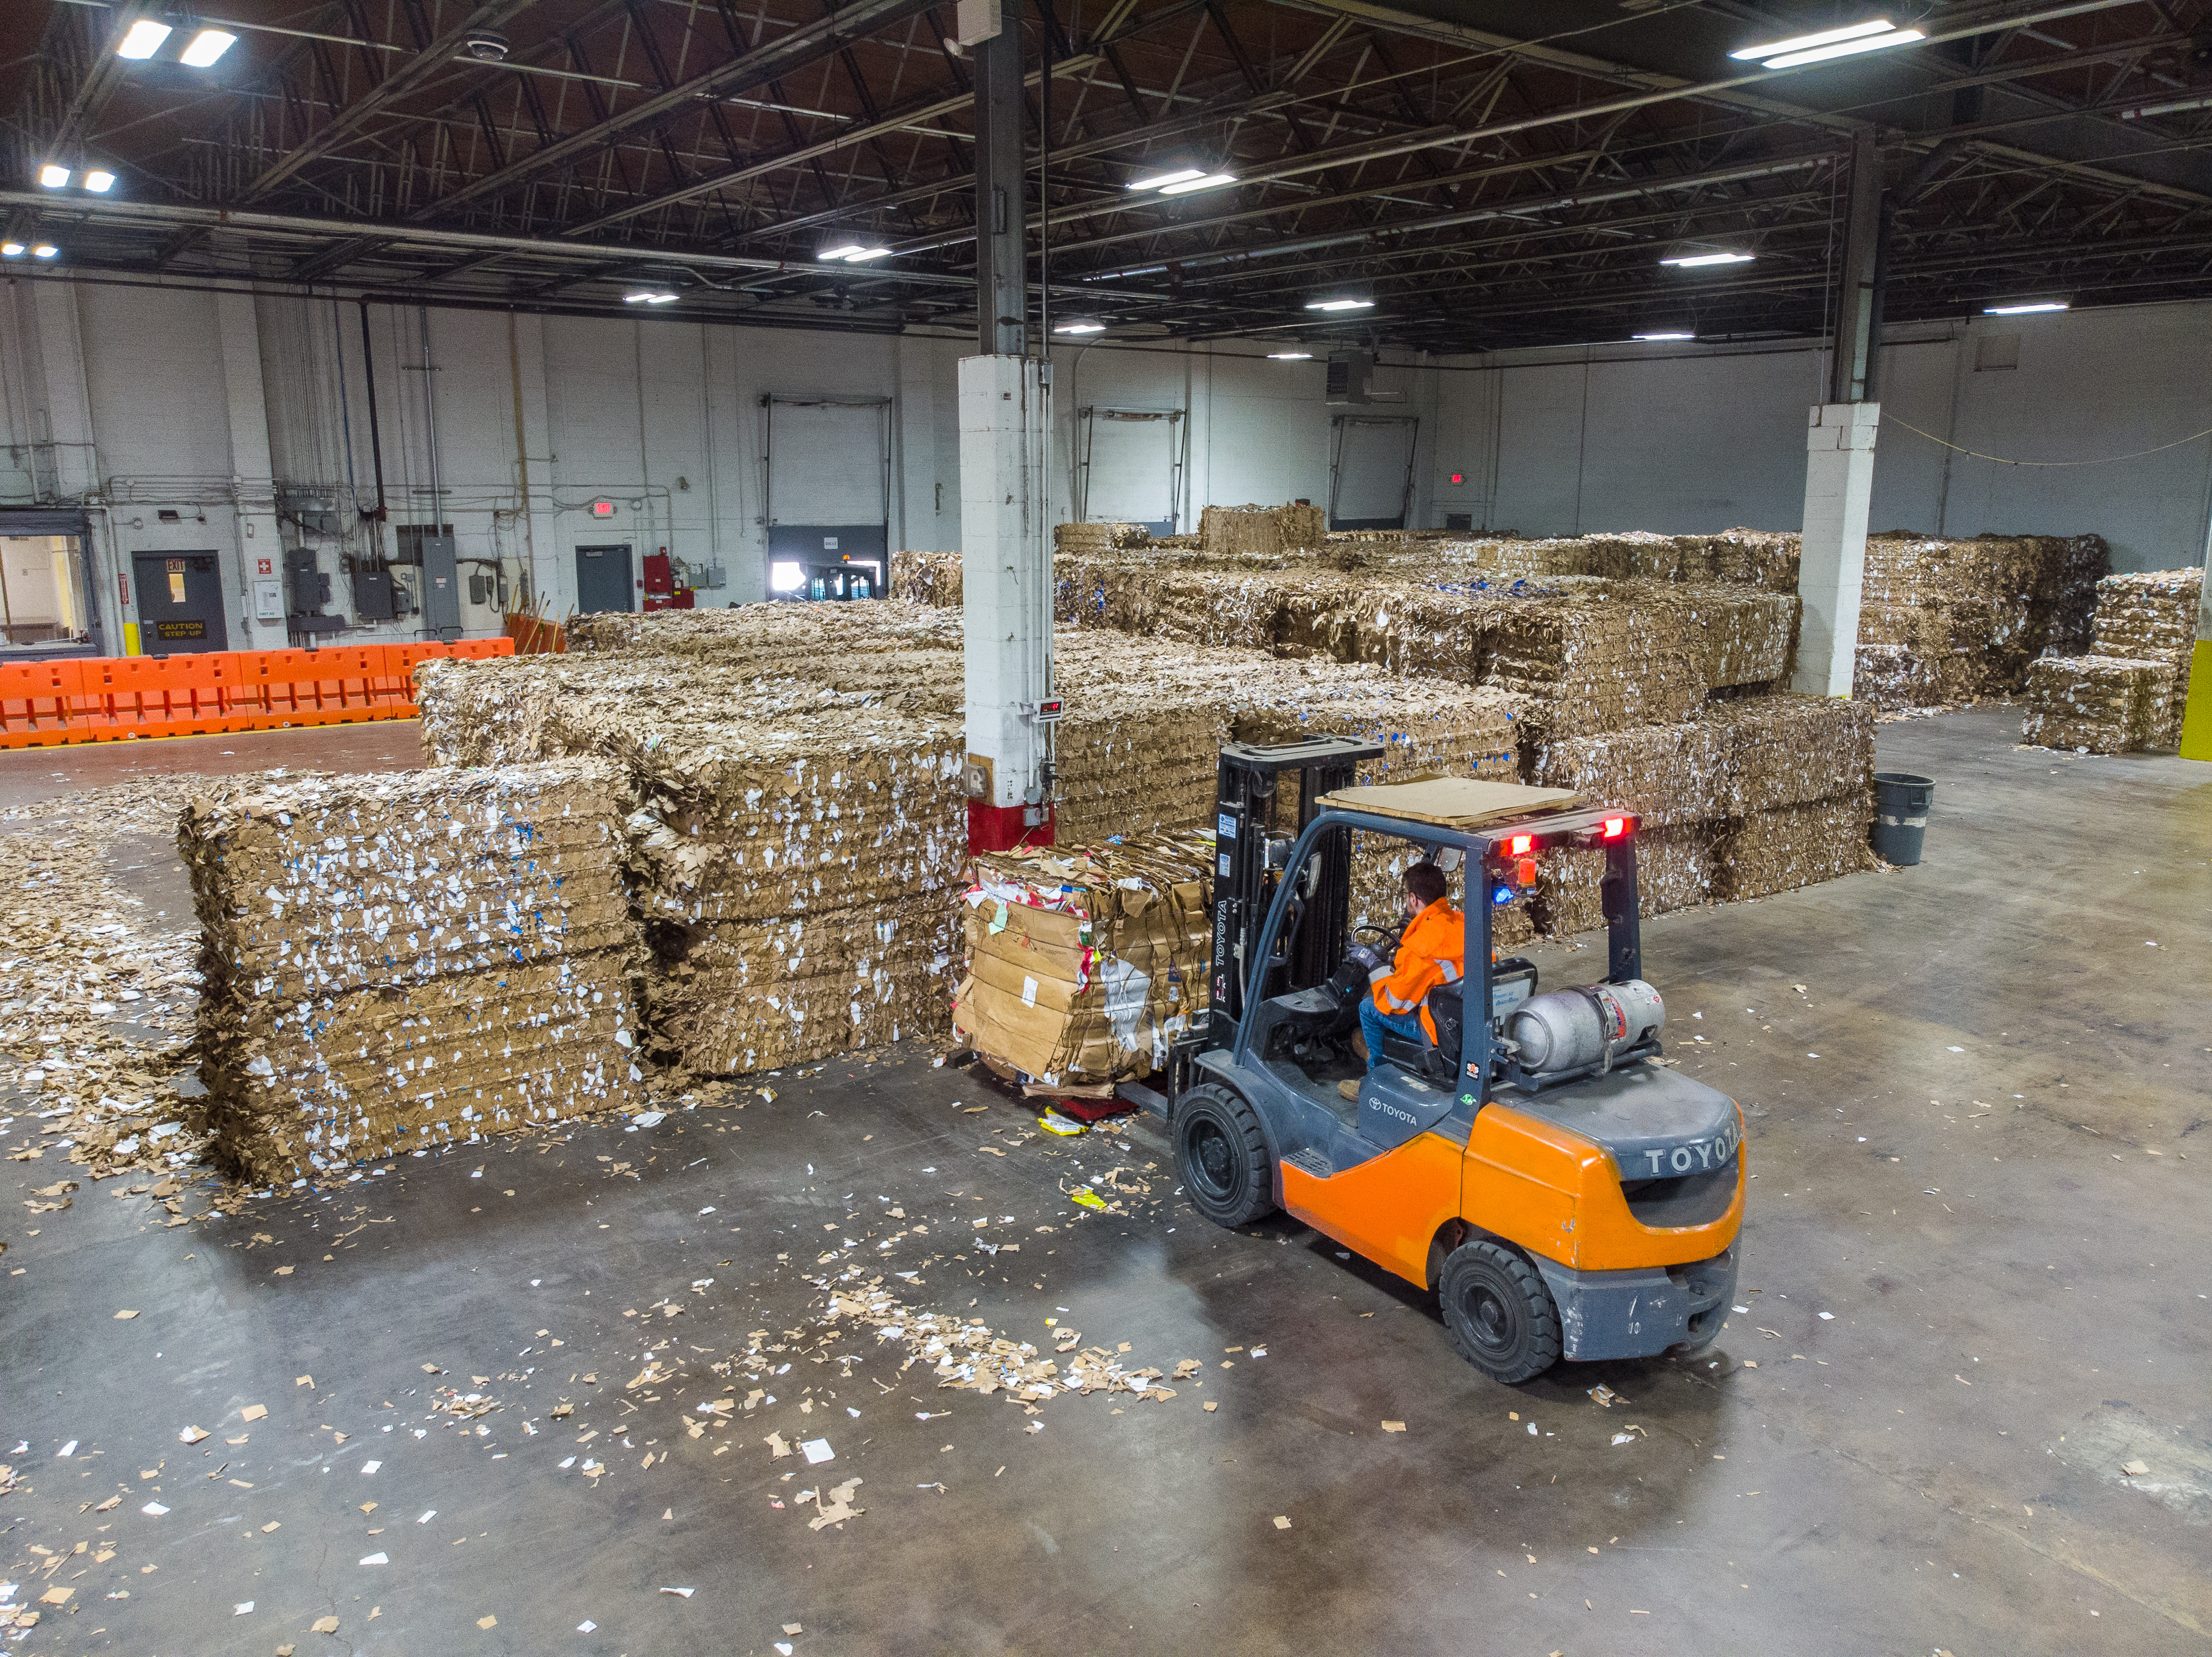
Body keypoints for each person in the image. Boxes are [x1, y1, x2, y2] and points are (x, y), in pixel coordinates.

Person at [1338, 862, 1463, 1101]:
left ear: (1414, 899)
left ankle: (1374, 1079)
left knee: (1367, 1008)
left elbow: (1393, 1002)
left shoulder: (1418, 947)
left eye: (1406, 896)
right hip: (1466, 1018)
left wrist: (1373, 964)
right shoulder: (1462, 923)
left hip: (1436, 1030)